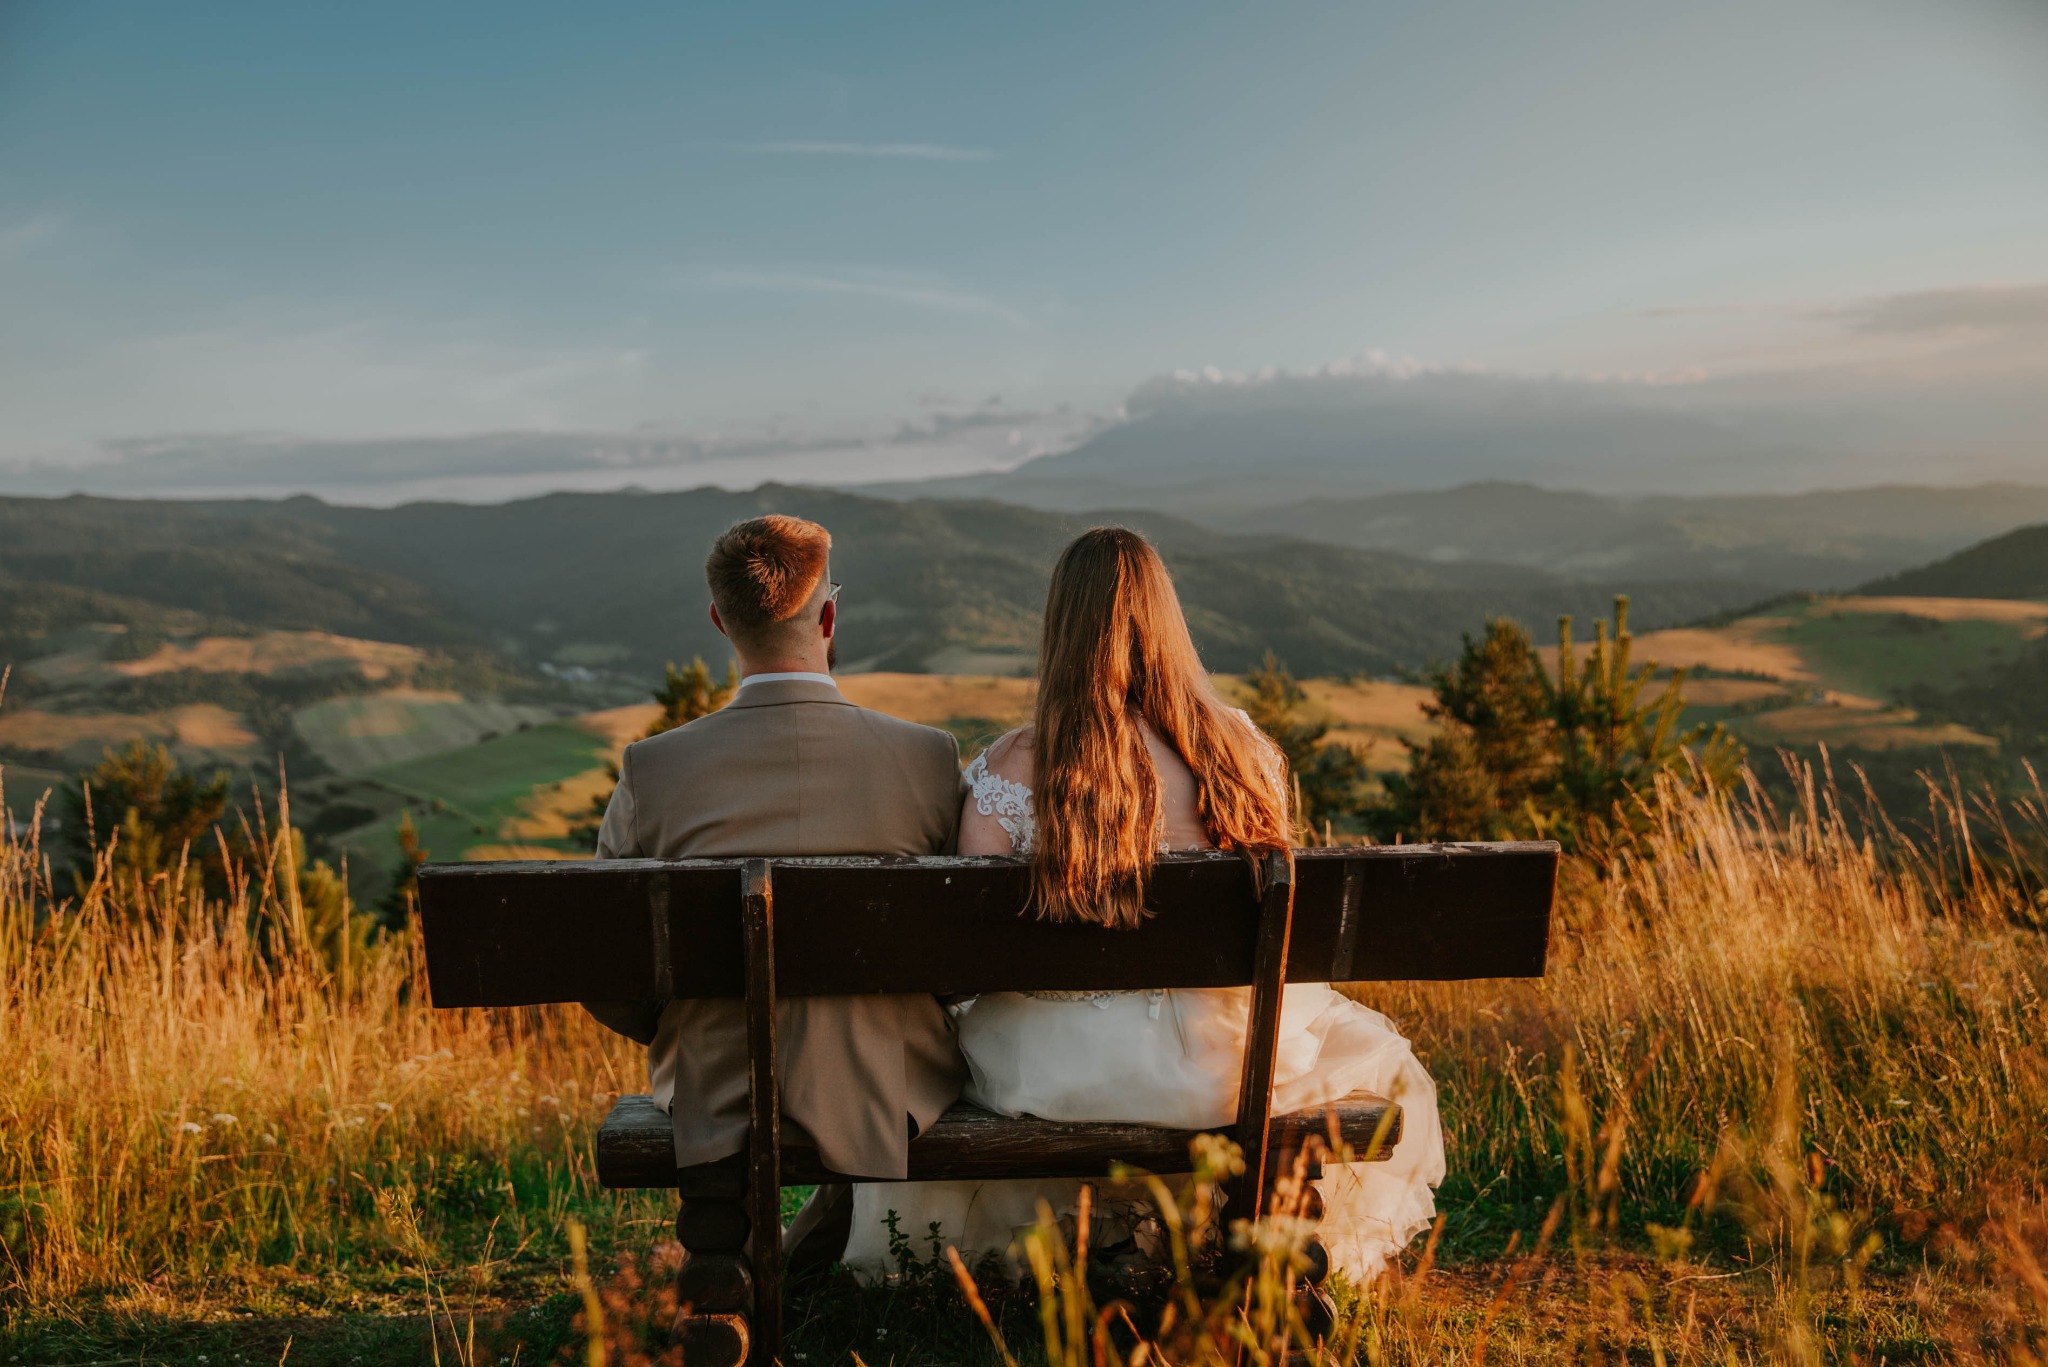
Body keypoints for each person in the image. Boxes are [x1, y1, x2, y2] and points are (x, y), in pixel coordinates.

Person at [841, 526, 1445, 1284]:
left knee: (971, 1041)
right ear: (1166, 623)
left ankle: (1103, 1242)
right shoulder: (1240, 751)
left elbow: (963, 951)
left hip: (1061, 1072)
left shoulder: (1012, 767)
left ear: (1061, 631)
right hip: (1235, 1060)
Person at [581, 513, 967, 1262]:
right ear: (828, 616)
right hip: (889, 1079)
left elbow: (606, 964)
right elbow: (958, 947)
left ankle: (734, 1256)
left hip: (715, 1080)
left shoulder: (652, 771)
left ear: (720, 621)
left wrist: (674, 1027)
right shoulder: (925, 758)